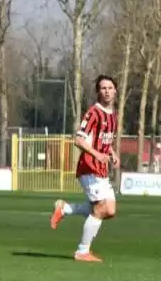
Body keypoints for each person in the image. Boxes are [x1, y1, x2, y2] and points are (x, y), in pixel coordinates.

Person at [50, 74, 119, 262]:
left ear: (115, 90)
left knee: (110, 210)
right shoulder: (93, 113)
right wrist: (97, 154)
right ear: (98, 91)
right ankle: (82, 251)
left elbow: (103, 138)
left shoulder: (112, 115)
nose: (107, 91)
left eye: (110, 88)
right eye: (103, 88)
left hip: (101, 169)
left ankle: (64, 209)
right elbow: (79, 139)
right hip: (89, 166)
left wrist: (112, 152)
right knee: (102, 207)